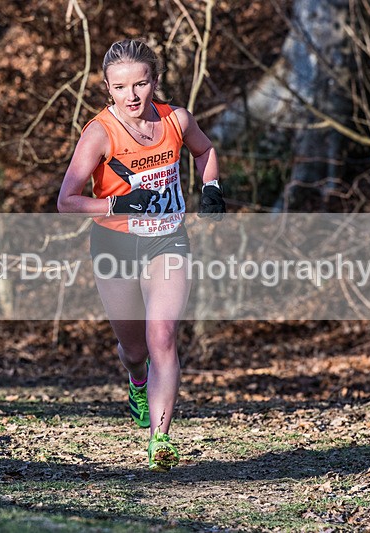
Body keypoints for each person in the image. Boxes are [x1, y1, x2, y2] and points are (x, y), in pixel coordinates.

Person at [57, 39, 225, 472]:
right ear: (107, 89)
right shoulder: (99, 132)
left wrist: (211, 188)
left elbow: (205, 151)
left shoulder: (176, 119)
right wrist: (116, 205)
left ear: (154, 81)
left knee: (162, 337)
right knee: (134, 349)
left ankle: (159, 439)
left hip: (167, 241)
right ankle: (136, 379)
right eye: (120, 87)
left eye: (141, 84)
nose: (131, 95)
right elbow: (67, 200)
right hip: (114, 245)